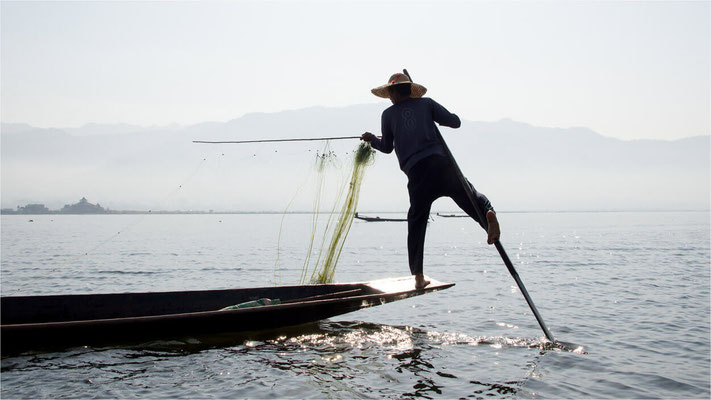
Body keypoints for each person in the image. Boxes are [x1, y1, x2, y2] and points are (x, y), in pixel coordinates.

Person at [361, 72, 500, 289]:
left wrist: (372, 141)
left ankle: (417, 276)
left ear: (395, 92)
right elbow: (455, 122)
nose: (389, 97)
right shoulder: (426, 105)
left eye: (390, 92)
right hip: (441, 164)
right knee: (470, 195)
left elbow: (387, 147)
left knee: (416, 222)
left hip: (418, 173)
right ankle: (488, 214)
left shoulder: (388, 115)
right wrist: (430, 114)